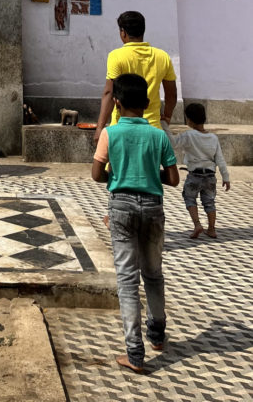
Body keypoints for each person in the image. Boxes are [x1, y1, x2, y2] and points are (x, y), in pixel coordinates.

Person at [92, 74, 179, 375]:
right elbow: (173, 179)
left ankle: (135, 353)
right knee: (153, 273)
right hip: (153, 207)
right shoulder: (158, 136)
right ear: (147, 103)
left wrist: (116, 178)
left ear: (116, 102)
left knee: (128, 281)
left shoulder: (110, 133)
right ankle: (157, 334)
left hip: (121, 207)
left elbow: (96, 173)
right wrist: (150, 173)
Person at [94, 11, 177, 144]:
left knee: (117, 164)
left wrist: (100, 128)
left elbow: (109, 93)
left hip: (120, 128)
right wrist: (166, 116)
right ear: (143, 30)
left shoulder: (116, 56)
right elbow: (171, 94)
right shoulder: (162, 57)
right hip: (152, 127)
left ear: (123, 32)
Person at [162, 103, 230, 240]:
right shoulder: (213, 138)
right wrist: (226, 177)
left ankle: (197, 224)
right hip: (210, 176)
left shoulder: (189, 135)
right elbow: (220, 159)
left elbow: (173, 144)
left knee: (190, 198)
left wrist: (164, 125)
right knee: (210, 202)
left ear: (189, 120)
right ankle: (211, 229)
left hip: (194, 175)